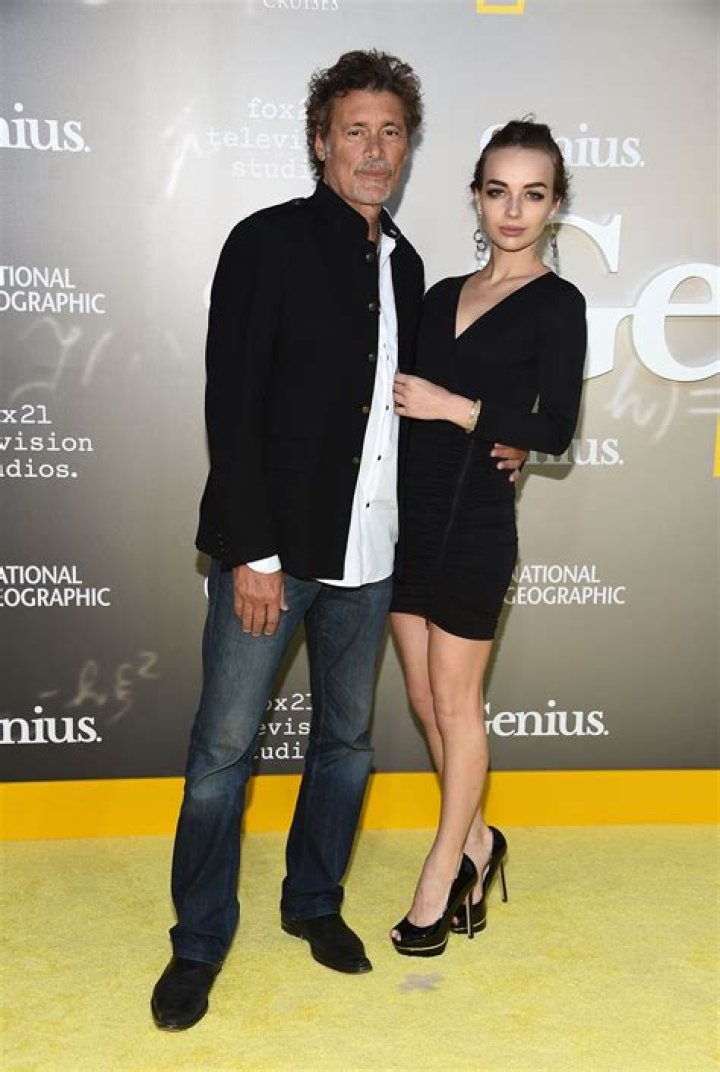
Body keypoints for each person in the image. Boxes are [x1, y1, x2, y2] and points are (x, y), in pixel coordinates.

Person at [151, 51, 526, 1030]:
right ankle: (198, 942)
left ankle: (314, 903)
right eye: (355, 130)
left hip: (374, 557)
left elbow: (415, 408)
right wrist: (253, 553)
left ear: (408, 148)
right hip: (273, 558)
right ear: (321, 141)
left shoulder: (407, 265)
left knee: (348, 745)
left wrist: (504, 436)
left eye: (391, 132)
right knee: (223, 753)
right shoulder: (265, 241)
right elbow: (232, 405)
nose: (374, 149)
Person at [389, 119, 587, 956]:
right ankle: (479, 841)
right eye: (498, 191)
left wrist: (460, 409)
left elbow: (557, 428)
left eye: (532, 194)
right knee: (422, 698)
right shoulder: (438, 295)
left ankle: (441, 874)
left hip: (475, 522)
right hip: (409, 516)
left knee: (457, 704)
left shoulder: (559, 304)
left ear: (555, 205)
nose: (513, 210)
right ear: (476, 197)